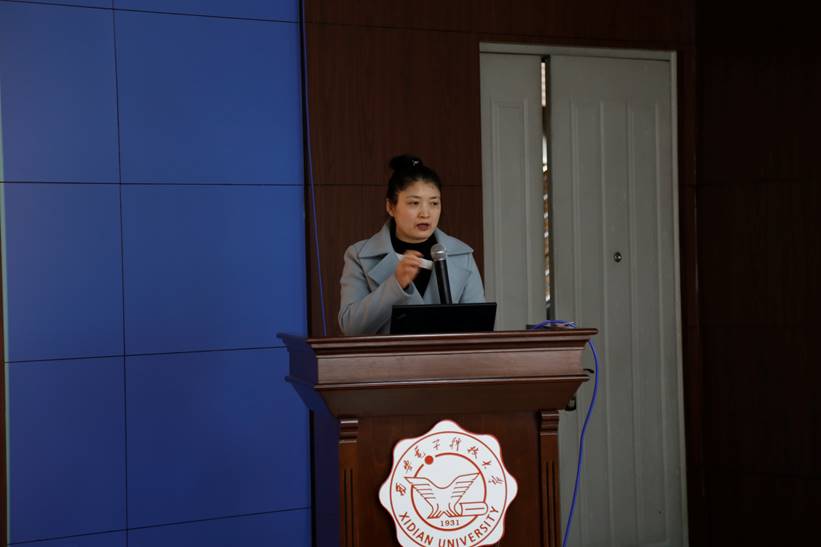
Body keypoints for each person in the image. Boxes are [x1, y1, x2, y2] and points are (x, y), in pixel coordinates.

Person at [338, 154, 486, 335]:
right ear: (390, 207)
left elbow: (479, 329)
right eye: (414, 203)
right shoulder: (360, 255)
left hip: (446, 355)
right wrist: (396, 284)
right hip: (389, 354)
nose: (425, 213)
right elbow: (351, 327)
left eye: (434, 203)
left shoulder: (461, 254)